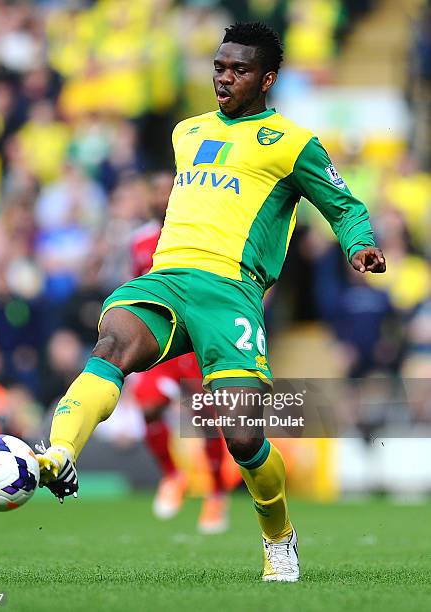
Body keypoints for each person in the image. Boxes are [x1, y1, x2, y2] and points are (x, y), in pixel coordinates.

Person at [36, 22, 386, 582]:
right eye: (220, 66)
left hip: (231, 292)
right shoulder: (187, 132)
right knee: (112, 342)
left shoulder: (293, 143)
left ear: (268, 78)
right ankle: (58, 454)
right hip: (167, 276)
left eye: (239, 69)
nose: (224, 77)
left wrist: (360, 243)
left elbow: (343, 204)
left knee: (243, 436)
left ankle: (279, 538)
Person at [130, 171, 230, 533]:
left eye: (167, 191)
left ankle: (217, 496)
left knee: (205, 421)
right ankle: (172, 476)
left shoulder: (198, 236)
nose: (161, 198)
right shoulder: (139, 241)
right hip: (160, 345)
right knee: (147, 405)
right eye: (155, 192)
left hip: (194, 340)